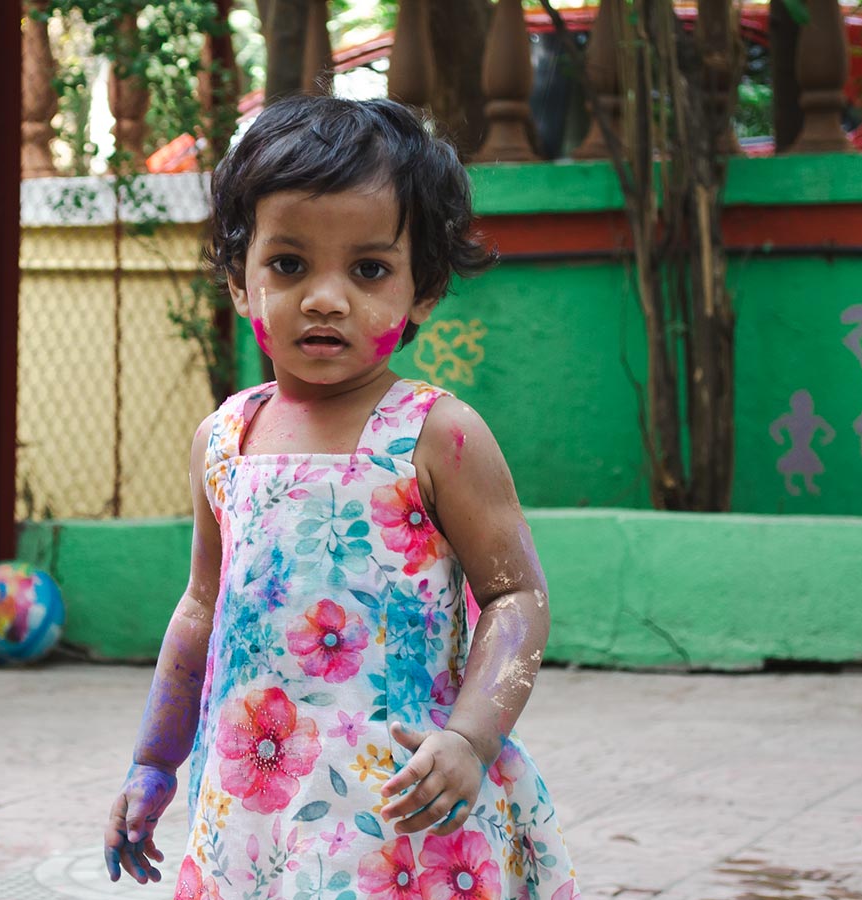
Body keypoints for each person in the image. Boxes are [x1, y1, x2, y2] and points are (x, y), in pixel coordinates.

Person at [104, 96, 579, 899]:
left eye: (368, 270)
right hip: (252, 807)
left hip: (400, 802)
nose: (326, 298)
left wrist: (470, 738)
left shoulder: (438, 436)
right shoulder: (223, 441)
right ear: (239, 281)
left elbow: (516, 595)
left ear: (422, 291)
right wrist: (155, 758)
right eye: (289, 265)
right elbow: (199, 606)